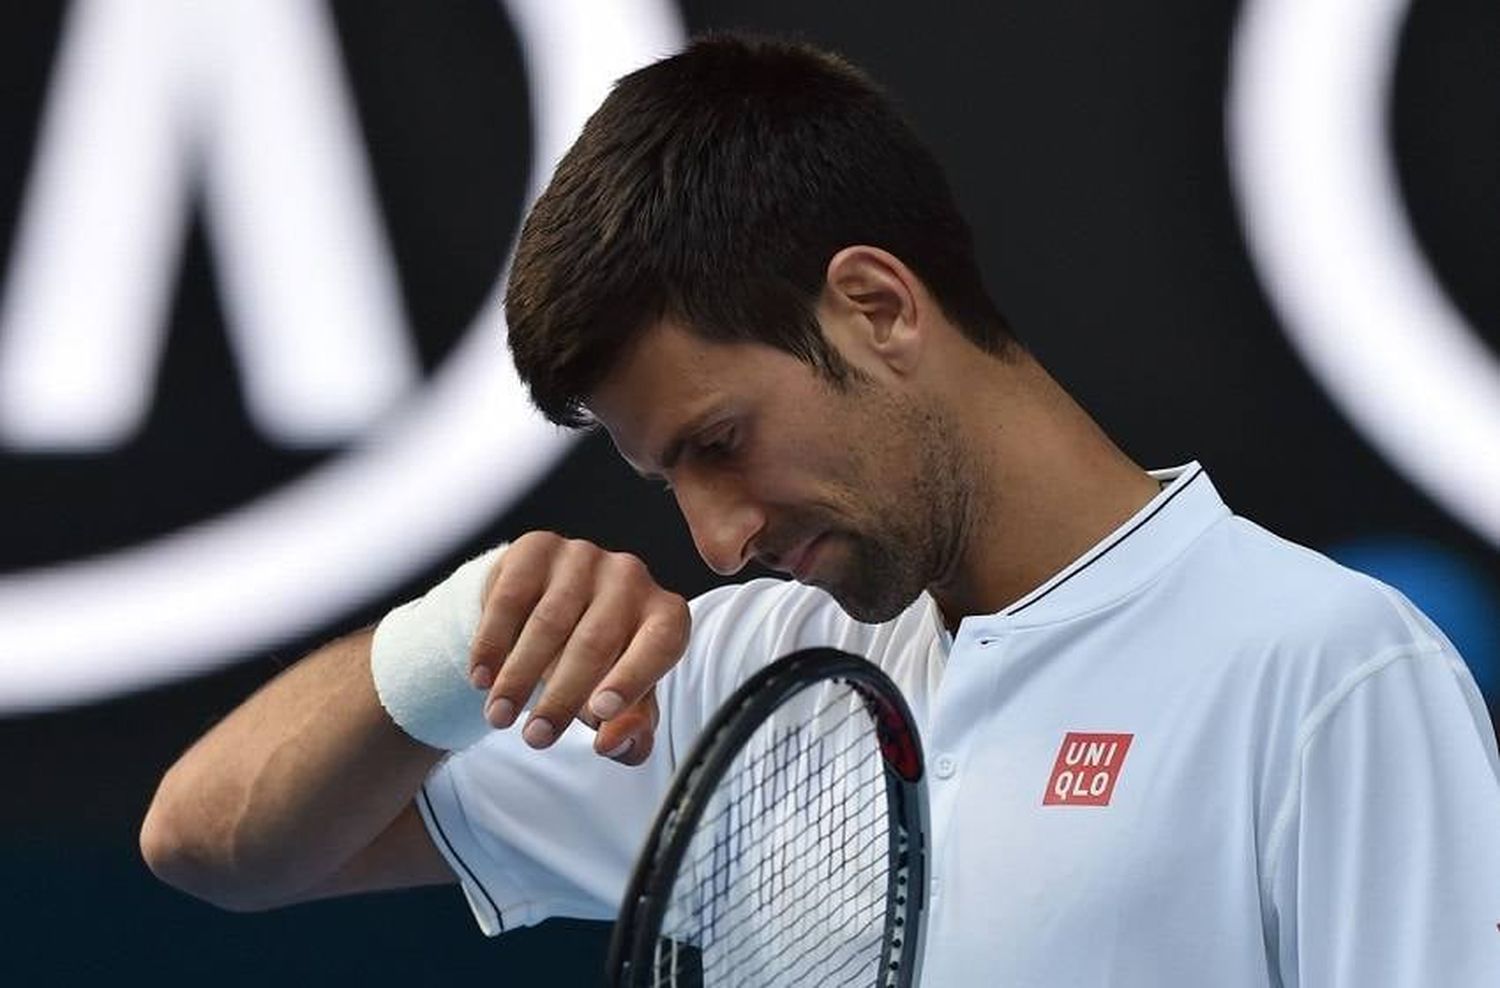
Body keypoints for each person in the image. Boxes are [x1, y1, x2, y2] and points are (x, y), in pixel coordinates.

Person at [141, 34, 1500, 985]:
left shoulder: (1328, 669)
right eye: (667, 478)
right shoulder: (737, 680)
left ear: (877, 305)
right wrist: (459, 642)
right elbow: (214, 846)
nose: (718, 540)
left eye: (721, 442)